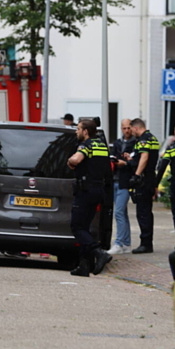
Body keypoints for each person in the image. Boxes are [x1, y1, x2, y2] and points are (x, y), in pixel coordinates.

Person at [66, 119, 113, 277]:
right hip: (98, 189)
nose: (76, 131)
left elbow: (76, 160)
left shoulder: (86, 145)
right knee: (85, 228)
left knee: (77, 226)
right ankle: (84, 266)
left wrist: (70, 161)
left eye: (78, 129)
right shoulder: (102, 145)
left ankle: (99, 253)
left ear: (86, 131)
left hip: (85, 191)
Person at [128, 118, 160, 254]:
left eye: (131, 129)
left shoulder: (143, 140)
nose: (131, 132)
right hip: (150, 178)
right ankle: (147, 242)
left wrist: (136, 175)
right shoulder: (153, 138)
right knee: (146, 212)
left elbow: (145, 157)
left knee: (143, 213)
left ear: (136, 128)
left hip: (144, 179)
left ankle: (145, 244)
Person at [107, 118, 136, 255]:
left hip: (125, 181)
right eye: (124, 128)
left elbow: (135, 161)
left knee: (118, 212)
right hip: (115, 180)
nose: (127, 131)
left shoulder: (136, 143)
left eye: (129, 128)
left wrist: (126, 162)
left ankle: (119, 243)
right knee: (122, 213)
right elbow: (112, 157)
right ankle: (126, 243)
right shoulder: (117, 143)